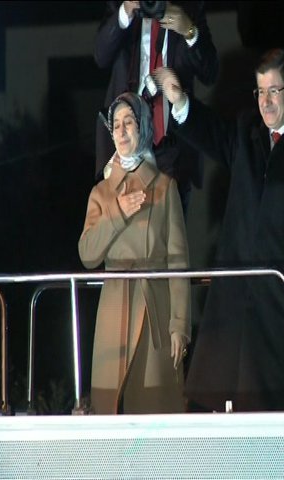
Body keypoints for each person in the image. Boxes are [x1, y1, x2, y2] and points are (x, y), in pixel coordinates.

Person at [156, 48, 284, 412]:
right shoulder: (247, 135)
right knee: (223, 400)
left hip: (279, 301)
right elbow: (211, 133)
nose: (265, 102)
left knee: (271, 402)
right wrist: (180, 101)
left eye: (274, 91)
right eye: (260, 92)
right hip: (234, 295)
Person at [79, 92, 190, 414]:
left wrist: (180, 324)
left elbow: (179, 261)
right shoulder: (101, 192)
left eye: (129, 122)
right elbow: (87, 254)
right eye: (116, 125)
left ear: (143, 127)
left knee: (155, 409)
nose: (122, 131)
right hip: (114, 308)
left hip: (155, 311)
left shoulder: (164, 187)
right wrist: (118, 212)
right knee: (111, 409)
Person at [94, 1, 219, 216]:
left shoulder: (189, 7)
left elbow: (210, 73)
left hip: (173, 147)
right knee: (124, 231)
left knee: (169, 232)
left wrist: (189, 31)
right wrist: (126, 10)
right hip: (125, 144)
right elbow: (100, 56)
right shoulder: (120, 4)